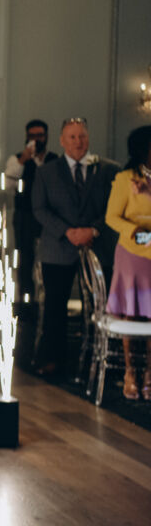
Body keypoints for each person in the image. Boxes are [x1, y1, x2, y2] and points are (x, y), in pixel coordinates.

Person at [32, 117, 118, 380]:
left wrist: (92, 230)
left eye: (82, 136)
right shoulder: (47, 172)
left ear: (88, 138)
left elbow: (114, 207)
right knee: (55, 307)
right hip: (58, 247)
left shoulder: (108, 170)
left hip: (97, 246)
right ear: (62, 140)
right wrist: (67, 232)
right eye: (72, 137)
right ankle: (52, 360)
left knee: (99, 307)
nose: (78, 142)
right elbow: (39, 208)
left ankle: (97, 363)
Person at [103, 124, 151, 399]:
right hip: (132, 252)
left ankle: (150, 373)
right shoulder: (126, 179)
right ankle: (130, 372)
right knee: (131, 314)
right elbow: (111, 217)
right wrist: (135, 230)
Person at [6, 119, 57, 302]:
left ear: (46, 137)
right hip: (24, 216)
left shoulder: (55, 160)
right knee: (25, 260)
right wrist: (23, 160)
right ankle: (26, 301)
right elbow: (8, 184)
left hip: (50, 218)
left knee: (50, 258)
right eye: (32, 136)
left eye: (40, 135)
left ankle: (48, 299)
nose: (36, 139)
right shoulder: (16, 159)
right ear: (26, 137)